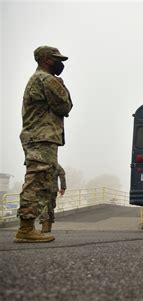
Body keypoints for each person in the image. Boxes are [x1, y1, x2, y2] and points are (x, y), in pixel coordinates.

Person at [15, 46, 73, 243]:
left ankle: (28, 227)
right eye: (57, 59)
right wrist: (62, 86)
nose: (60, 63)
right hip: (43, 136)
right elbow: (65, 106)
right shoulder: (47, 79)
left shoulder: (37, 79)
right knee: (38, 181)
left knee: (40, 180)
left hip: (37, 136)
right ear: (47, 59)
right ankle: (25, 229)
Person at [39, 163, 66, 233]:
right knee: (48, 207)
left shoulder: (42, 163)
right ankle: (47, 226)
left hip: (44, 189)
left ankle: (46, 226)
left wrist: (63, 187)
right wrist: (63, 188)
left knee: (45, 206)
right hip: (50, 190)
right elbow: (62, 174)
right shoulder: (56, 164)